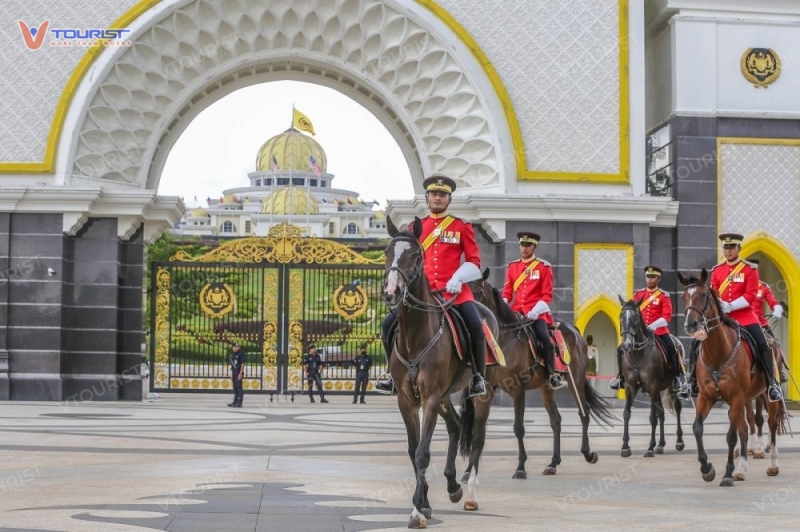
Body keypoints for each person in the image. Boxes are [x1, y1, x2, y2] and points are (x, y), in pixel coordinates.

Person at [376, 174, 487, 397]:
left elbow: (475, 262)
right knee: (388, 324)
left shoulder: (460, 226)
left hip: (454, 293)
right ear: (427, 198)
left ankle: (477, 376)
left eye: (442, 195)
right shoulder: (415, 228)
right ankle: (390, 374)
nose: (438, 198)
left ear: (449, 199)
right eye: (434, 194)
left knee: (476, 326)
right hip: (422, 294)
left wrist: (458, 277)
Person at [680, 234, 782, 402]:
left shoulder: (749, 269)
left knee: (763, 344)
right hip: (723, 318)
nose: (728, 251)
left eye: (732, 248)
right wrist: (721, 305)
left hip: (745, 317)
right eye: (725, 248)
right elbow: (713, 293)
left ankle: (771, 385)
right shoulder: (717, 270)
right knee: (696, 342)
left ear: (738, 249)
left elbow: (750, 295)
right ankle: (691, 382)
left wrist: (732, 305)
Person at [501, 231, 565, 390]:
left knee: (544, 338)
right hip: (517, 312)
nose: (524, 248)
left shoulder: (544, 267)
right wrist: (502, 305)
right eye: (522, 245)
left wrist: (535, 311)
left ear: (535, 247)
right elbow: (507, 293)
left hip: (537, 313)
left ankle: (551, 375)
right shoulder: (512, 267)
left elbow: (547, 295)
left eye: (528, 245)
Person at [609, 266, 684, 392]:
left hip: (659, 331)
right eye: (648, 277)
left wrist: (654, 325)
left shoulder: (663, 295)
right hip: (641, 332)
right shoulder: (638, 294)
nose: (649, 280)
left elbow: (667, 316)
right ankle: (621, 377)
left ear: (658, 279)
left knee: (672, 347)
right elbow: (633, 313)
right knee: (620, 349)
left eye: (652, 277)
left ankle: (677, 377)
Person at [748, 259, 784, 337]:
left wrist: (777, 308)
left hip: (760, 323)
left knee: (772, 343)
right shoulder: (738, 286)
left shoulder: (763, 287)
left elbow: (772, 302)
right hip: (742, 323)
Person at [228, 342, 245, 407]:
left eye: (236, 347)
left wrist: (240, 373)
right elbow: (233, 365)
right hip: (234, 372)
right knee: (235, 387)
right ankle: (235, 401)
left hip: (238, 372)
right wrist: (232, 374)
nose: (235, 348)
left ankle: (239, 402)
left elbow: (242, 364)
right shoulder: (233, 354)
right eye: (234, 347)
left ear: (239, 347)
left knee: (239, 387)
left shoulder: (241, 354)